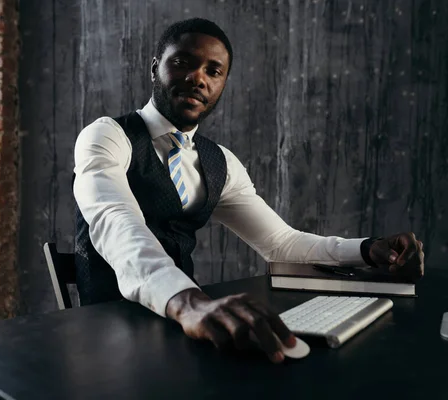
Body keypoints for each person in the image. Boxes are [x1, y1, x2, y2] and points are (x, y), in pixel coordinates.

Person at [72, 18, 424, 364]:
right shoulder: (107, 136)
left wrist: (366, 250)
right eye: (182, 63)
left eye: (214, 71)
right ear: (154, 69)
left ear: (223, 83)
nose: (198, 79)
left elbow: (281, 244)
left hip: (186, 328)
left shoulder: (219, 162)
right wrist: (189, 302)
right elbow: (115, 221)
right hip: (111, 329)